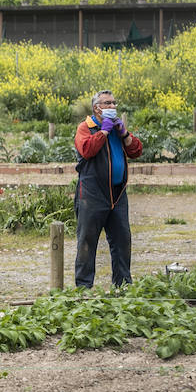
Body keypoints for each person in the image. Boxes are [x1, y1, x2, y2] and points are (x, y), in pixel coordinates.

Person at [73, 90, 143, 289]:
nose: (113, 107)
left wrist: (124, 133)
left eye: (114, 103)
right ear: (97, 108)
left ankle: (123, 286)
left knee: (122, 241)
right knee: (87, 241)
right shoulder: (86, 128)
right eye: (107, 103)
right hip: (92, 194)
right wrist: (103, 132)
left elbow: (136, 150)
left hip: (118, 194)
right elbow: (86, 150)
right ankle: (83, 289)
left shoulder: (118, 129)